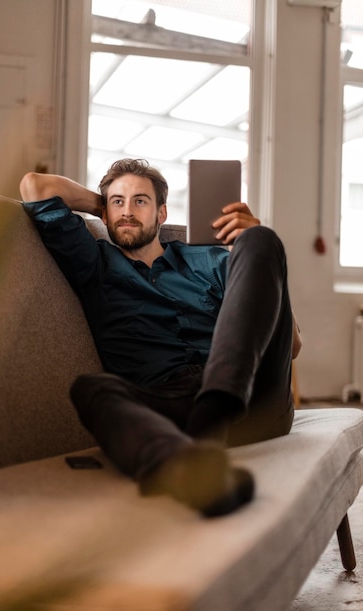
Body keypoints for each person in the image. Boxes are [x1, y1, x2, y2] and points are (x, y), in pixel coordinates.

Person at [20, 158, 301, 518]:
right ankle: (188, 469)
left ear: (162, 213)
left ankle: (214, 413)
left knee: (260, 237)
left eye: (141, 201)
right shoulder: (95, 264)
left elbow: (291, 347)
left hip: (252, 399)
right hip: (171, 405)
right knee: (92, 389)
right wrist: (101, 204)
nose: (127, 212)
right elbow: (35, 186)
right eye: (118, 202)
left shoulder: (210, 260)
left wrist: (259, 259)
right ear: (104, 213)